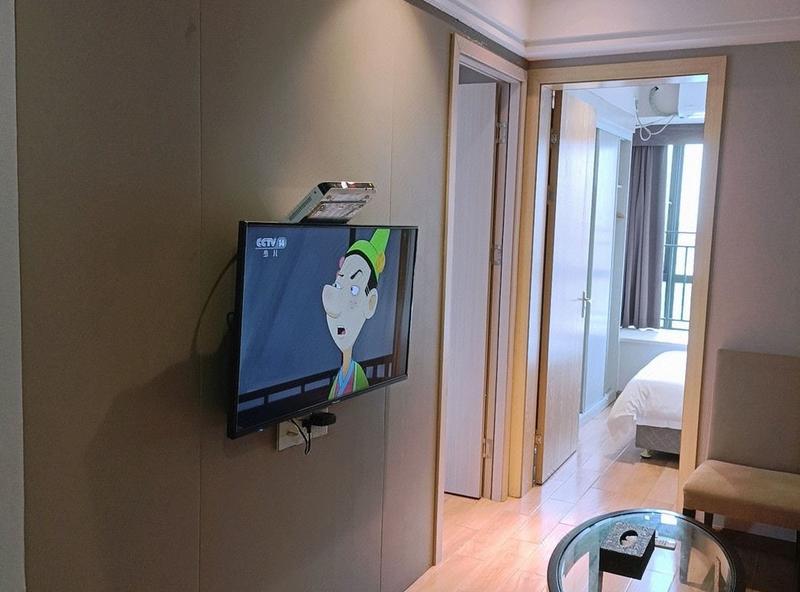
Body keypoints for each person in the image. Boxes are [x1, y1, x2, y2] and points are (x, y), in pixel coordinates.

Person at [321, 228, 389, 400]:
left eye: (353, 289)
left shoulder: (358, 379)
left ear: (370, 302)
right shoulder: (340, 377)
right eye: (338, 286)